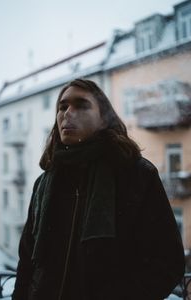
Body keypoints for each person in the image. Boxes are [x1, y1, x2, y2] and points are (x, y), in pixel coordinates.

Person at [12, 78, 185, 300]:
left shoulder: (137, 176)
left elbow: (168, 262)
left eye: (81, 105)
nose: (67, 113)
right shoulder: (43, 184)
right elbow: (26, 262)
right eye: (62, 107)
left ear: (104, 118)